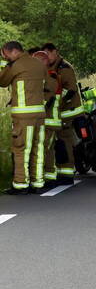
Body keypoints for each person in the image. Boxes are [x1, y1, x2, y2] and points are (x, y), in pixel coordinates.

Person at [0, 41, 48, 194]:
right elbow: (49, 85)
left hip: (23, 116)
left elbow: (2, 81)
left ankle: (20, 184)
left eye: (6, 55)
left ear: (14, 51)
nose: (6, 58)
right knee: (38, 149)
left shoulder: (15, 65)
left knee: (21, 150)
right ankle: (38, 183)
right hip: (40, 115)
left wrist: (5, 64)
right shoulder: (39, 64)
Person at [42, 42, 82, 184]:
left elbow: (70, 90)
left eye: (48, 54)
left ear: (55, 52)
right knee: (57, 143)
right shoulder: (50, 67)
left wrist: (56, 101)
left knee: (65, 141)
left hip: (68, 112)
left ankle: (66, 174)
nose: (46, 57)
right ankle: (59, 172)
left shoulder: (64, 67)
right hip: (58, 112)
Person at [29, 48, 61, 189]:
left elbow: (46, 99)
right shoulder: (46, 76)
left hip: (49, 120)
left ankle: (40, 179)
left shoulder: (51, 77)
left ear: (43, 62)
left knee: (42, 150)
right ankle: (49, 177)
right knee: (47, 150)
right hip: (46, 120)